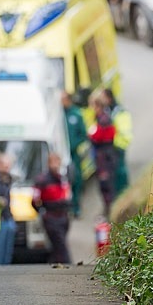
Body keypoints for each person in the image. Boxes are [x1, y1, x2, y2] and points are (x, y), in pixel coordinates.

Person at [33, 152, 72, 265]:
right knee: (61, 246)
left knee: (57, 247)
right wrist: (42, 212)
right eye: (53, 162)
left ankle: (53, 265)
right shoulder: (42, 180)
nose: (55, 165)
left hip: (63, 216)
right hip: (51, 217)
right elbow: (34, 200)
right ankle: (69, 265)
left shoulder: (62, 179)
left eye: (57, 162)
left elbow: (67, 195)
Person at [88, 91, 117, 218]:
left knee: (106, 185)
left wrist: (92, 135)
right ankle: (108, 210)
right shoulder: (100, 119)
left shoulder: (104, 120)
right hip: (102, 157)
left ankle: (110, 212)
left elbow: (103, 136)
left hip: (105, 158)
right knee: (104, 185)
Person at [62, 90, 88, 218]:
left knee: (76, 179)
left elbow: (83, 134)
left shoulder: (76, 114)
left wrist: (73, 145)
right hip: (61, 154)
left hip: (73, 154)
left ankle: (76, 207)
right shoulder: (58, 114)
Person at [102, 88, 132, 195]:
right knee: (116, 170)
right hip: (113, 143)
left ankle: (125, 190)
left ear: (109, 98)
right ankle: (121, 191)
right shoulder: (108, 110)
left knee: (121, 169)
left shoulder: (118, 110)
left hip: (119, 143)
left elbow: (122, 128)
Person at [0, 151, 16, 265]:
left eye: (8, 165)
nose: (6, 168)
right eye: (4, 165)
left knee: (7, 251)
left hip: (8, 217)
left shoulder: (8, 179)